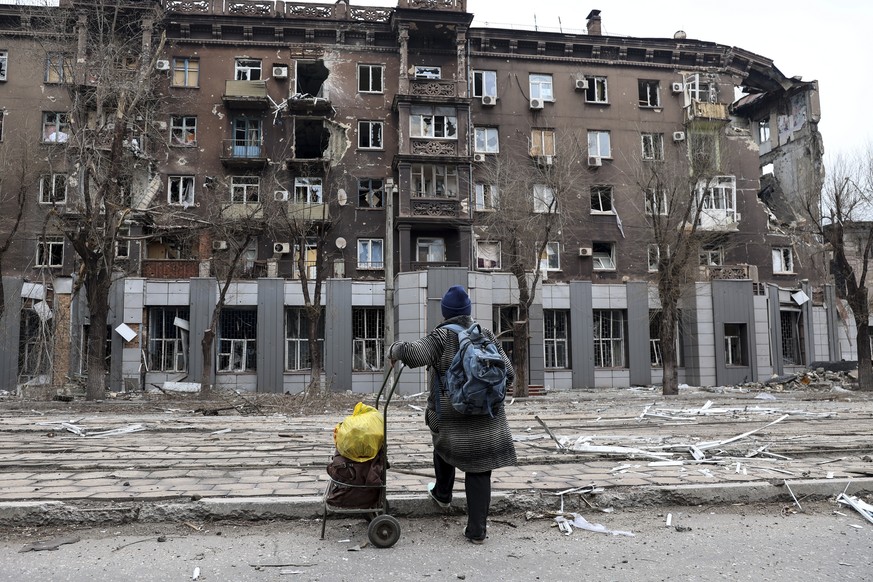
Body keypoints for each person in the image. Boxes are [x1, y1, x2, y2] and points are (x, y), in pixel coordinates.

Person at [389, 285, 516, 544]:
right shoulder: (485, 334)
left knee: (442, 442)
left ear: (445, 312)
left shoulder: (442, 337)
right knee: (480, 470)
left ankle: (443, 494)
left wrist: (395, 349)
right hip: (489, 418)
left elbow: (414, 353)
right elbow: (509, 373)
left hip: (452, 419)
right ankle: (477, 531)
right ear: (468, 312)